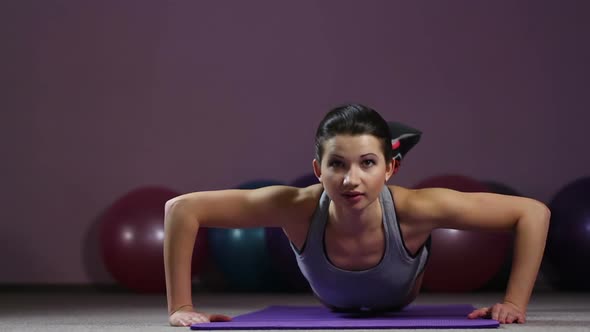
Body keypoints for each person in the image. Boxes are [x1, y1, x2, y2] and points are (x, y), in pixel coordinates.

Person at [163, 104, 550, 327]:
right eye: (336, 165)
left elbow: (533, 212)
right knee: (353, 185)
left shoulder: (414, 208)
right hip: (336, 296)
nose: (350, 181)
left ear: (391, 170)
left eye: (367, 164)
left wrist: (514, 303)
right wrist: (181, 306)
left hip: (399, 282)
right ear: (317, 170)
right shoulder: (296, 206)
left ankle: (386, 144)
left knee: (386, 194)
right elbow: (180, 208)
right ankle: (377, 145)